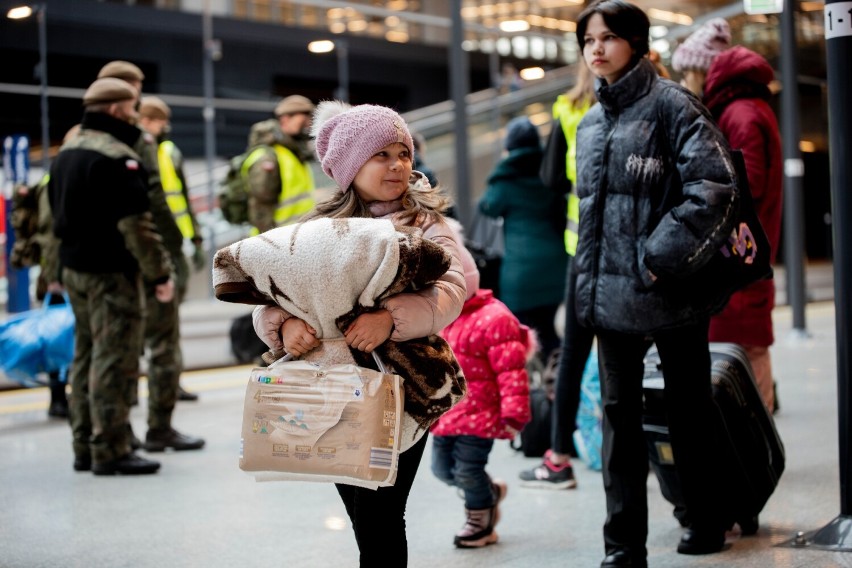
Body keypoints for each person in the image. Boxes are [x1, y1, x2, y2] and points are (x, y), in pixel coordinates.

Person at [251, 100, 467, 567]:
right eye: (381, 155)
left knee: (384, 513)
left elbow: (452, 288)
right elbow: (270, 294)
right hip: (335, 393)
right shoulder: (314, 228)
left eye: (403, 153)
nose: (398, 165)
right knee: (367, 516)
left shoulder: (424, 222)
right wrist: (284, 326)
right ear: (350, 165)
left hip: (408, 390)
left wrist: (392, 319)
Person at [574, 1, 741, 565]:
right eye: (588, 39)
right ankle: (623, 547)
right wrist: (586, 291)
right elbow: (589, 220)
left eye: (609, 37)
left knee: (689, 412)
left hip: (673, 293)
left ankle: (705, 519)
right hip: (611, 303)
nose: (596, 48)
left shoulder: (673, 106)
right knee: (618, 425)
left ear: (638, 43)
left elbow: (715, 186)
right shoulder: (590, 123)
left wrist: (660, 257)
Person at [48, 77, 174, 475]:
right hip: (111, 275)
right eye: (133, 110)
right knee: (115, 360)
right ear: (118, 110)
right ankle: (112, 448)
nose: (137, 117)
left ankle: (84, 444)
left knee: (84, 356)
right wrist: (159, 275)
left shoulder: (67, 151)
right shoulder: (117, 157)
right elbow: (138, 228)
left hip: (75, 271)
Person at [96, 61, 205, 448]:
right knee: (159, 342)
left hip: (108, 260)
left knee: (114, 349)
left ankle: (115, 436)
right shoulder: (139, 140)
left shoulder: (84, 138)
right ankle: (158, 428)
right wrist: (168, 257)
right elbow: (156, 201)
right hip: (148, 250)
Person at [674, 32, 784, 414]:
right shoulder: (745, 108)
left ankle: (754, 454)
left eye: (689, 72)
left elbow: (744, 187)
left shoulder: (741, 113)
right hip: (743, 253)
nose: (686, 82)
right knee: (745, 348)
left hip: (739, 254)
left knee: (744, 352)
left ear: (707, 72)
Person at [519, 62, 598, 488]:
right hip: (632, 250)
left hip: (581, 245)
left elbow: (551, 176)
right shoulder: (657, 100)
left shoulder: (569, 107)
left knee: (574, 352)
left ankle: (559, 458)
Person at [430, 220, 533, 548]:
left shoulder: (495, 318)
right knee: (442, 470)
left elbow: (511, 371)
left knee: (467, 471)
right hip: (447, 414)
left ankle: (480, 520)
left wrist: (515, 411)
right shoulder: (440, 317)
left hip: (481, 415)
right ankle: (489, 492)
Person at [478, 116, 568, 360]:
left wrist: (501, 169)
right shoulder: (549, 172)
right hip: (556, 269)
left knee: (523, 341)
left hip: (521, 275)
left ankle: (534, 389)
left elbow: (487, 207)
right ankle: (555, 386)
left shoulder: (506, 181)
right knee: (553, 337)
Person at [245, 94, 316, 234]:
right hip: (278, 242)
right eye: (304, 117)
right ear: (285, 119)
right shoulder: (269, 157)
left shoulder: (293, 153)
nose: (308, 123)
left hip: (296, 237)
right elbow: (261, 209)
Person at [670, 17, 731, 97]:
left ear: (698, 72)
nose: (683, 82)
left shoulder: (727, 104)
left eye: (685, 73)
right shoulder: (714, 100)